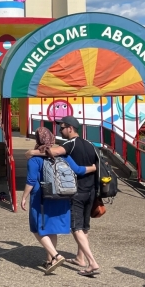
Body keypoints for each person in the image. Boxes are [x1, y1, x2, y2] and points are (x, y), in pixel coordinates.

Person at [27, 116, 100, 276]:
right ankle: (80, 258)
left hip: (75, 191)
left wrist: (31, 152)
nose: (60, 131)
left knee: (76, 228)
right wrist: (94, 168)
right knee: (84, 227)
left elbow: (52, 152)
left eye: (62, 128)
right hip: (91, 191)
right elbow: (92, 165)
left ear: (70, 128)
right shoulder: (90, 144)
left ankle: (92, 262)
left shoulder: (69, 144)